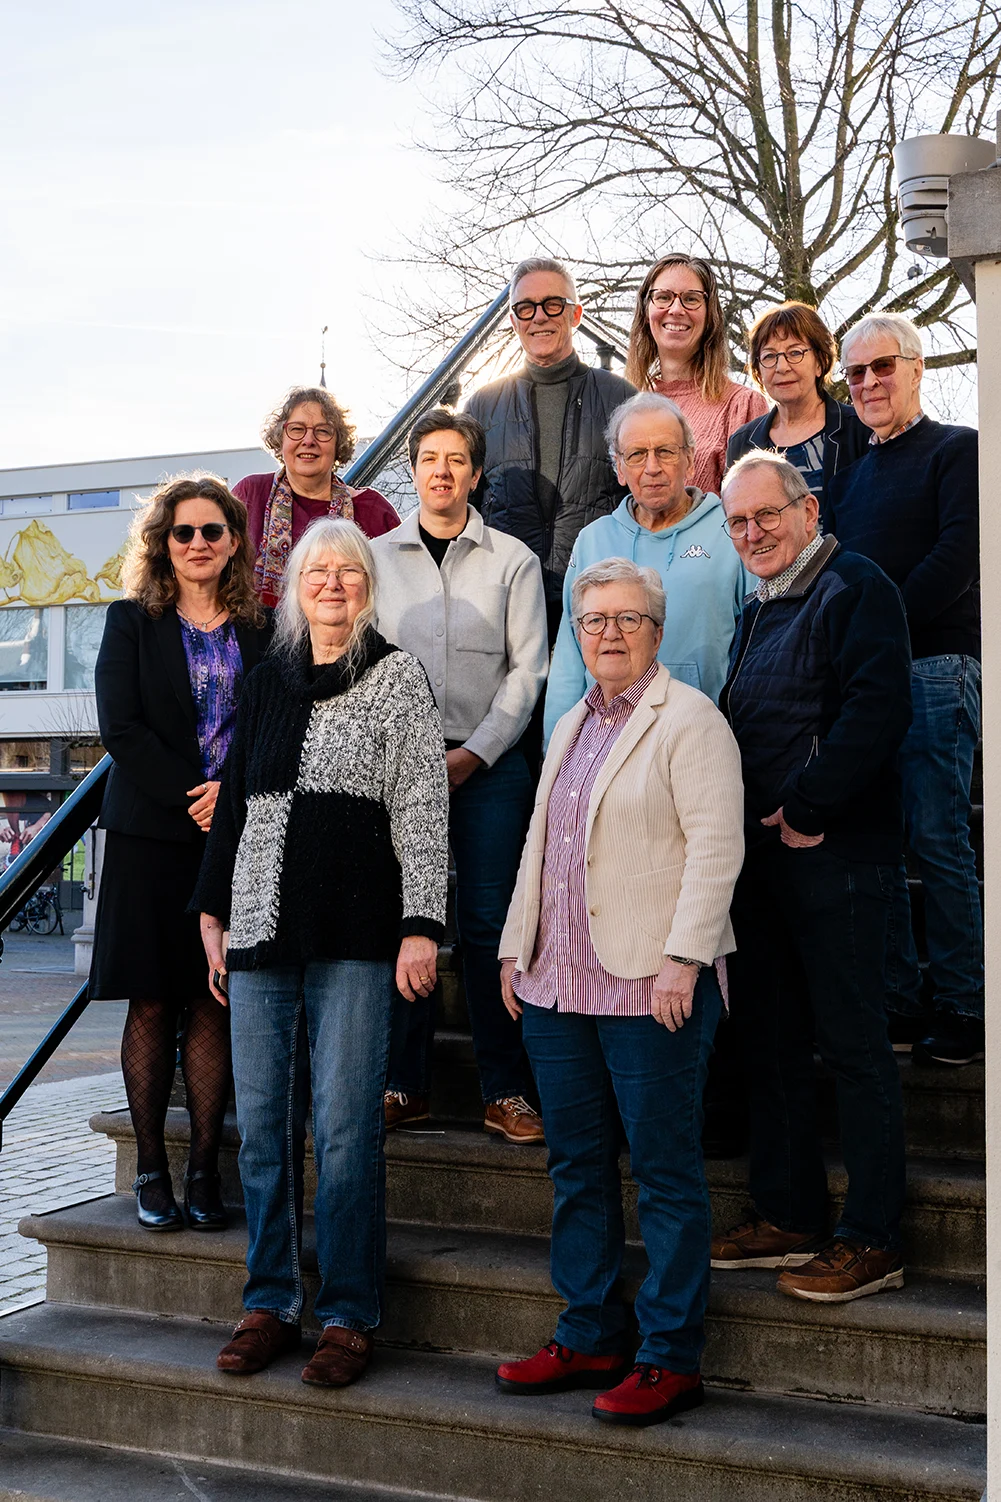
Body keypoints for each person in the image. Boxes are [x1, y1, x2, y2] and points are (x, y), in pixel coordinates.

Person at [194, 518, 448, 1389]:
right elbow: (235, 807)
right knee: (262, 1130)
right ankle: (268, 1300)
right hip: (261, 924)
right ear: (295, 586)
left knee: (343, 1132)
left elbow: (420, 804)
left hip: (357, 934)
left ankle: (346, 1312)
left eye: (348, 572)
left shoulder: (395, 676)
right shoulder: (266, 681)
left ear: (368, 585)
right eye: (317, 572)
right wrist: (210, 910)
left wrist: (423, 924)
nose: (332, 584)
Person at [494, 558, 744, 1427]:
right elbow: (540, 842)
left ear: (656, 631)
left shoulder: (692, 721)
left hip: (651, 983)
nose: (607, 633)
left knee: (666, 1172)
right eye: (592, 620)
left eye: (626, 620)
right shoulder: (568, 724)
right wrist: (511, 946)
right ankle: (588, 1332)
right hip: (556, 983)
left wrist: (686, 958)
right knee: (576, 1167)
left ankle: (669, 1355)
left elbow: (716, 848)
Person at [713, 451, 912, 1303]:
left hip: (832, 853)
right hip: (762, 864)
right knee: (771, 1040)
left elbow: (876, 708)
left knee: (855, 1047)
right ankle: (788, 1212)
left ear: (807, 509)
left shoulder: (853, 583)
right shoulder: (758, 606)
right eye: (737, 524)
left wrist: (806, 804)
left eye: (765, 515)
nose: (752, 533)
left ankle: (872, 1237)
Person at [91, 475, 272, 1233]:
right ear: (162, 543)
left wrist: (225, 793)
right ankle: (150, 1168)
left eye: (212, 531)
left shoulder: (263, 630)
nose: (197, 543)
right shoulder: (131, 621)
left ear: (233, 540)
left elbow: (275, 724)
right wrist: (191, 791)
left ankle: (203, 1169)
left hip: (229, 836)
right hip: (149, 834)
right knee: (153, 998)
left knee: (213, 996)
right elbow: (119, 728)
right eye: (183, 532)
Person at [371, 409, 549, 1142]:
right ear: (412, 470)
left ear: (476, 475)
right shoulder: (374, 557)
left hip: (492, 764)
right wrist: (406, 759)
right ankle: (401, 1085)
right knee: (404, 920)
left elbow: (527, 671)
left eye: (455, 460)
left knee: (485, 925)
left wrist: (473, 754)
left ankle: (505, 1090)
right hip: (395, 767)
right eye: (428, 458)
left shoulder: (513, 560)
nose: (440, 471)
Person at [826, 313, 982, 1067]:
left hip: (933, 671)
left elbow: (957, 553)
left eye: (880, 367)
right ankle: (896, 995)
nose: (866, 384)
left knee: (937, 836)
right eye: (854, 374)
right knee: (875, 845)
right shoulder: (850, 477)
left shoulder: (959, 450)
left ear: (916, 368)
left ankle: (963, 1000)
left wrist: (882, 631)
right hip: (867, 681)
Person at [544, 391, 747, 741]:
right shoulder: (593, 541)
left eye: (665, 451)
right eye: (637, 455)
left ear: (690, 460)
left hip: (702, 736)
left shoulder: (731, 533)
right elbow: (569, 658)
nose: (652, 467)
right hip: (605, 740)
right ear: (619, 469)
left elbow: (758, 648)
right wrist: (556, 748)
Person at [465, 257, 634, 641]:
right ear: (513, 320)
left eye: (552, 304)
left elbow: (639, 500)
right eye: (525, 307)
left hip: (598, 600)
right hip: (506, 602)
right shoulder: (481, 407)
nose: (539, 316)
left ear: (575, 314)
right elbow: (464, 509)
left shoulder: (620, 398)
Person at [233, 386, 399, 606]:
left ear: (338, 443)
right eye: (296, 429)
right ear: (280, 438)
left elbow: (397, 594)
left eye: (322, 431)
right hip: (257, 637)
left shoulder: (373, 511)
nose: (308, 440)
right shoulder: (250, 496)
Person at [625, 253, 768, 498]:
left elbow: (754, 509)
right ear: (645, 311)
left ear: (709, 315)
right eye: (663, 297)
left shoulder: (741, 406)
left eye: (691, 299)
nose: (676, 309)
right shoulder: (624, 403)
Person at [725, 301, 869, 505]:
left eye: (795, 353)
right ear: (758, 370)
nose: (781, 367)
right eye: (769, 356)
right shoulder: (742, 443)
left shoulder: (860, 429)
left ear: (820, 362)